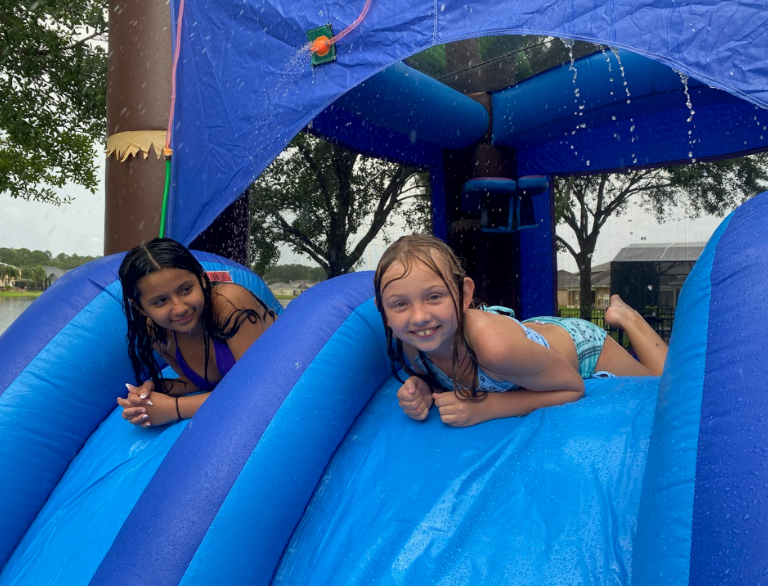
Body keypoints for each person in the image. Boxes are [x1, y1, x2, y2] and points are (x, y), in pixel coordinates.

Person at [374, 234, 668, 428]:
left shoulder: (493, 347)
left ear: (464, 295)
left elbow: (572, 387)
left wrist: (487, 408)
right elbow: (440, 375)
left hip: (579, 348)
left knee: (667, 390)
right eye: (400, 304)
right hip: (527, 341)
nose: (419, 317)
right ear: (384, 313)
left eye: (434, 296)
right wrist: (424, 389)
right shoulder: (412, 348)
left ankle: (628, 317)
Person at [116, 238, 277, 428]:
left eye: (185, 290)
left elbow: (257, 390)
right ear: (140, 307)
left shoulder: (229, 304)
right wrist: (152, 391)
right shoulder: (156, 330)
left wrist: (174, 408)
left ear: (201, 278)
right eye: (160, 301)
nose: (179, 308)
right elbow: (200, 381)